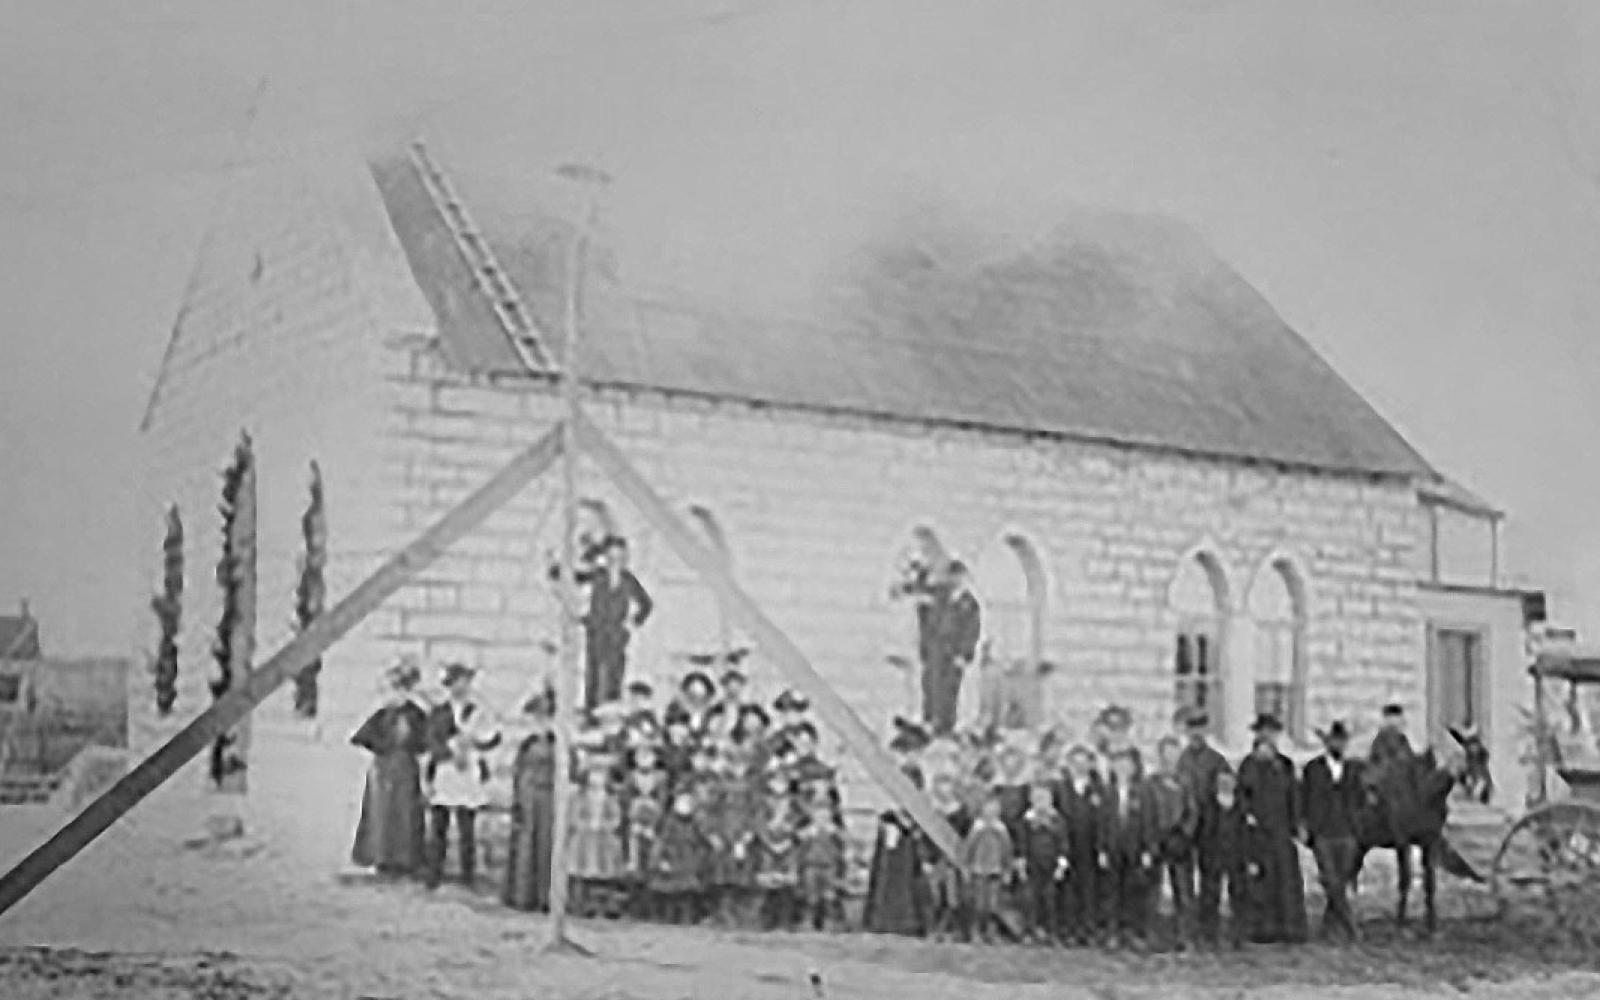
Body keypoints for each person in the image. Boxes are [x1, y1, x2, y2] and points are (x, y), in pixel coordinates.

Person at [423, 663, 502, 890]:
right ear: (449, 685)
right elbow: (431, 740)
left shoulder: (478, 712)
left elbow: (493, 738)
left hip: (469, 772)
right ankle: (434, 875)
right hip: (446, 772)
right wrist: (449, 753)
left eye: (466, 682)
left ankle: (468, 876)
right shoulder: (439, 713)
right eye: (458, 681)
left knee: (467, 827)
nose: (463, 686)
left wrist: (475, 743)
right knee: (439, 826)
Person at [349, 658, 429, 878]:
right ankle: (380, 857)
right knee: (380, 814)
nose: (397, 694)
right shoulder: (383, 715)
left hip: (406, 769)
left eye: (403, 689)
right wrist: (381, 746)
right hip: (383, 769)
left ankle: (405, 860)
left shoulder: (416, 715)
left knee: (405, 814)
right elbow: (361, 737)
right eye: (394, 688)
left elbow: (425, 741)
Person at [1236, 714, 1308, 944]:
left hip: (1282, 830)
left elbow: (1294, 796)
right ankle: (1262, 928)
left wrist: (1298, 824)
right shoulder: (1249, 766)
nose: (1267, 737)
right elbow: (1242, 798)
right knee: (1260, 880)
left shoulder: (1284, 765)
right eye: (1262, 733)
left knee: (1286, 880)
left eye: (1271, 733)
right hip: (1258, 832)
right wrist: (1248, 819)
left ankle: (1289, 928)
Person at [864, 719, 935, 936]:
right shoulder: (895, 773)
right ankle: (884, 920)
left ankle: (905, 921)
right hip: (893, 823)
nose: (910, 757)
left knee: (905, 874)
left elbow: (917, 801)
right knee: (889, 872)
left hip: (907, 827)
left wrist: (910, 820)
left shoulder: (916, 775)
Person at [1302, 720, 1364, 943]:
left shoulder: (1353, 770)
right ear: (1327, 743)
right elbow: (1304, 799)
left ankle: (1328, 926)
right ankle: (1351, 927)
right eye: (1335, 741)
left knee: (1340, 879)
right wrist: (1306, 827)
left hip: (1347, 832)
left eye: (1342, 741)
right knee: (1331, 879)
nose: (1339, 745)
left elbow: (1360, 801)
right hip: (1323, 832)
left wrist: (1357, 828)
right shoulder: (1313, 769)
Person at [580, 536, 654, 711]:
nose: (616, 562)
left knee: (615, 672)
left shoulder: (628, 580)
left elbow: (646, 604)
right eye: (612, 557)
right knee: (593, 672)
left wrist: (633, 622)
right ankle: (591, 710)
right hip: (597, 632)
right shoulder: (598, 576)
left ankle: (612, 709)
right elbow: (577, 578)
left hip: (617, 634)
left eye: (620, 558)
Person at [1176, 709, 1231, 937]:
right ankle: (1186, 928)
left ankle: (1209, 927)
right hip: (1185, 826)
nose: (1196, 733)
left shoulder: (1217, 760)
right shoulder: (1180, 760)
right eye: (1192, 729)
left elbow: (1226, 793)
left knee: (1211, 878)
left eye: (1200, 728)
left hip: (1211, 825)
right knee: (1183, 880)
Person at [504, 689, 558, 912]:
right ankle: (522, 895)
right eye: (537, 716)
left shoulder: (557, 739)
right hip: (529, 791)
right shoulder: (527, 741)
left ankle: (545, 896)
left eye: (544, 716)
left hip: (549, 794)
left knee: (547, 843)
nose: (540, 720)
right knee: (526, 841)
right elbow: (518, 769)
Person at [1099, 747, 1154, 950]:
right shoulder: (1107, 793)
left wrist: (1148, 850)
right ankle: (1113, 932)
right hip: (1113, 849)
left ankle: (1133, 932)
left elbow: (1148, 822)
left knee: (1134, 892)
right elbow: (1101, 824)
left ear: (1133, 768)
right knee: (1112, 892)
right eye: (1118, 764)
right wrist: (1102, 849)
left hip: (1135, 850)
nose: (1122, 769)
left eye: (1126, 765)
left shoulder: (1142, 792)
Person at [1147, 735, 1199, 951]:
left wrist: (1184, 834)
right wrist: (1152, 839)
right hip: (1158, 841)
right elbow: (1147, 813)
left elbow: (1193, 811)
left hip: (1180, 842)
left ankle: (1185, 936)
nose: (1170, 759)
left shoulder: (1186, 782)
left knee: (1184, 892)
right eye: (1166, 753)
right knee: (1153, 892)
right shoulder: (1151, 783)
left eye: (1174, 753)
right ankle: (1154, 936)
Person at [1053, 743, 1104, 946]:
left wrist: (1101, 846)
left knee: (1089, 889)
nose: (1079, 767)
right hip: (1067, 846)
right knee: (1068, 889)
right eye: (1075, 762)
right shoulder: (1060, 788)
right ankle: (1069, 929)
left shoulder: (1099, 789)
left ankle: (1088, 929)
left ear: (1091, 764)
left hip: (1090, 846)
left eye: (1084, 762)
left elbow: (1103, 819)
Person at [1194, 769, 1249, 949]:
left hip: (1237, 857)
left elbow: (1247, 834)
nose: (1225, 784)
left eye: (1229, 780)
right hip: (1213, 856)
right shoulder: (1207, 805)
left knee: (1239, 897)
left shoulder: (1242, 805)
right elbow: (1201, 833)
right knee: (1210, 897)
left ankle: (1238, 936)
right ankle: (1209, 935)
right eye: (1221, 781)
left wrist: (1249, 857)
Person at [926, 561, 982, 736]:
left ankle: (946, 724)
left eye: (959, 577)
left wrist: (964, 653)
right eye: (953, 577)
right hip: (938, 648)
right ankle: (933, 719)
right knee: (934, 683)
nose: (956, 581)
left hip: (954, 651)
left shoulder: (969, 604)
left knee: (950, 687)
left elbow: (972, 630)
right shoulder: (942, 599)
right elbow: (932, 622)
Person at [568, 758, 626, 916]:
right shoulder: (579, 797)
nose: (596, 781)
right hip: (585, 838)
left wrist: (605, 826)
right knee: (581, 871)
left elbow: (616, 818)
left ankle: (608, 904)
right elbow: (574, 817)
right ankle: (581, 903)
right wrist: (585, 825)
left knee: (608, 868)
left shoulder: (609, 798)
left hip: (603, 838)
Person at [959, 792, 1014, 944]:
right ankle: (975, 931)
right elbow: (967, 849)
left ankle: (991, 931)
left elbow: (1007, 851)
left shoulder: (1001, 829)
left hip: (995, 870)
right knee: (978, 904)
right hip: (978, 870)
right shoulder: (977, 828)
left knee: (993, 904)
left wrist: (1007, 870)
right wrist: (965, 867)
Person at [651, 790, 711, 924]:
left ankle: (688, 920)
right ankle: (668, 920)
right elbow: (661, 842)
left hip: (689, 863)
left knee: (688, 894)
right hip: (672, 861)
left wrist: (700, 861)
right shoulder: (669, 823)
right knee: (670, 894)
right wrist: (661, 860)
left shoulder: (695, 823)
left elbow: (702, 842)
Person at [1018, 782, 1067, 944]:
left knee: (1050, 899)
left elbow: (1062, 842)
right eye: (1037, 798)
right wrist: (1021, 861)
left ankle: (1052, 932)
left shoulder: (1057, 819)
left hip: (1051, 865)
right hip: (1032, 864)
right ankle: (1029, 931)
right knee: (1030, 898)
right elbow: (1022, 842)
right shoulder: (1026, 819)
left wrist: (1061, 862)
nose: (1041, 802)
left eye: (1044, 798)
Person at [796, 800, 849, 931]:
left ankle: (831, 924)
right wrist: (807, 833)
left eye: (825, 816)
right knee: (811, 897)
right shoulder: (809, 830)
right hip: (811, 866)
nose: (822, 820)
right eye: (819, 816)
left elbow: (846, 841)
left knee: (830, 896)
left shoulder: (835, 830)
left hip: (830, 867)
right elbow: (798, 841)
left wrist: (835, 832)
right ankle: (810, 923)